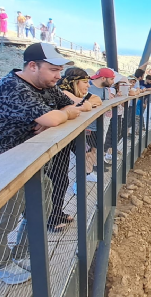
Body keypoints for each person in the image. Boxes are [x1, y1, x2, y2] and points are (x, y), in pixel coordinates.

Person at [0, 43, 81, 284]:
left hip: (29, 161)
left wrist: (54, 117)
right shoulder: (13, 86)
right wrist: (52, 117)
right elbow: (61, 113)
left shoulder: (45, 86)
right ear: (33, 66)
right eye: (53, 69)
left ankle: (22, 253)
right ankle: (0, 264)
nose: (58, 76)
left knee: (43, 201)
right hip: (6, 164)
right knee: (6, 218)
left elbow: (69, 105)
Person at [49, 67, 97, 232]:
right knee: (54, 181)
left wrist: (82, 105)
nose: (88, 85)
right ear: (75, 82)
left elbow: (93, 102)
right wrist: (81, 105)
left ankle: (56, 212)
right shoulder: (63, 92)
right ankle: (50, 218)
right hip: (52, 144)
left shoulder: (65, 93)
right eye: (85, 82)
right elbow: (85, 106)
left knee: (61, 180)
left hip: (61, 143)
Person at [83, 68, 115, 181]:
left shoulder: (106, 90)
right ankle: (87, 174)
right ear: (103, 78)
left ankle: (91, 170)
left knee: (95, 148)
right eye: (111, 79)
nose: (113, 81)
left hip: (98, 125)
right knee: (87, 151)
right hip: (88, 126)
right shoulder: (88, 87)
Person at [103, 73, 125, 163]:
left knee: (117, 133)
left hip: (118, 114)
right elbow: (109, 101)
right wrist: (117, 97)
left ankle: (110, 152)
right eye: (122, 83)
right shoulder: (112, 90)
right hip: (112, 115)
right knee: (111, 135)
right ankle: (108, 153)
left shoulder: (119, 91)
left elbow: (123, 105)